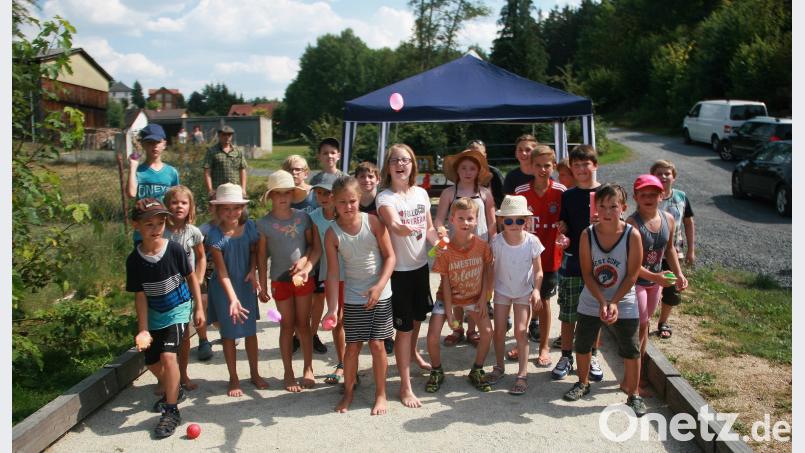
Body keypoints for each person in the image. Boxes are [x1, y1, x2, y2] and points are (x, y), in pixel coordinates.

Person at [562, 184, 646, 417]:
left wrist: (614, 302)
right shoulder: (587, 234)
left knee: (631, 348)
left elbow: (632, 274)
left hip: (624, 298)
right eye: (602, 206)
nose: (607, 211)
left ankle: (634, 393)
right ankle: (583, 382)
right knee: (583, 343)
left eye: (613, 206)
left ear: (623, 208)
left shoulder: (632, 235)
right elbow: (587, 273)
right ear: (595, 207)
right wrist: (602, 302)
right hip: (593, 296)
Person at [126, 198, 204, 438]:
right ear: (136, 225)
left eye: (160, 222)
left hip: (178, 308)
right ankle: (175, 387)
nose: (156, 228)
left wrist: (198, 308)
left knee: (169, 356)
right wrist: (143, 329)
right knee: (151, 361)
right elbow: (140, 295)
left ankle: (171, 410)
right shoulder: (134, 260)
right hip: (155, 314)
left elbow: (191, 278)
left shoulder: (175, 250)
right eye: (149, 224)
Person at [322, 176, 396, 414]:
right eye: (342, 202)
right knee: (352, 348)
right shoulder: (332, 234)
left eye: (352, 200)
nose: (348, 206)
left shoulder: (373, 222)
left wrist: (379, 286)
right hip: (353, 297)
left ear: (360, 199)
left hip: (380, 294)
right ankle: (349, 392)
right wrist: (333, 308)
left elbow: (390, 257)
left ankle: (381, 394)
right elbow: (333, 274)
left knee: (377, 345)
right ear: (333, 201)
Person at [376, 143, 438, 408]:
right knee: (402, 330)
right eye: (395, 161)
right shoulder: (385, 198)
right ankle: (405, 385)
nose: (401, 164)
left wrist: (444, 244)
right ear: (388, 167)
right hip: (397, 273)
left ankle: (412, 355)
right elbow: (394, 224)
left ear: (413, 165)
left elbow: (431, 229)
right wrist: (406, 228)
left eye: (406, 160)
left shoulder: (422, 194)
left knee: (415, 321)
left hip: (420, 269)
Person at [257, 170, 321, 392]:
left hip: (304, 279)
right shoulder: (263, 224)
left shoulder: (304, 217)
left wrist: (304, 261)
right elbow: (262, 257)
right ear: (271, 196)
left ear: (294, 194)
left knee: (304, 325)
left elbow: (314, 247)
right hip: (279, 280)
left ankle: (308, 368)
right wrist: (262, 286)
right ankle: (288, 372)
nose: (283, 197)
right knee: (286, 325)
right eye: (278, 193)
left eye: (287, 192)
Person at [626, 175, 688, 394]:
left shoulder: (668, 219)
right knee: (641, 325)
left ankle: (637, 371)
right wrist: (657, 278)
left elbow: (669, 249)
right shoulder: (632, 224)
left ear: (661, 196)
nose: (648, 198)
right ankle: (632, 378)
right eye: (643, 194)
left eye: (653, 194)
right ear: (635, 197)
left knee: (646, 325)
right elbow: (630, 265)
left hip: (656, 282)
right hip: (637, 282)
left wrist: (678, 274)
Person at [205, 183, 268, 397]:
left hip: (245, 284)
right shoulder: (214, 236)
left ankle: (255, 373)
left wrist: (253, 270)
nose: (232, 213)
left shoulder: (250, 227)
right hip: (224, 290)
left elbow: (253, 251)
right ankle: (233, 377)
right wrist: (232, 299)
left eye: (236, 207)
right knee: (229, 334)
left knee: (250, 331)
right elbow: (221, 273)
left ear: (242, 208)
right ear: (218, 209)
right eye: (226, 208)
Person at [425, 197, 494, 393]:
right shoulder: (444, 250)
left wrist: (484, 298)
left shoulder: (482, 246)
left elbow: (489, 270)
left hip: (474, 297)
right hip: (447, 297)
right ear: (452, 220)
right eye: (461, 218)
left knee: (487, 332)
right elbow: (445, 282)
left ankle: (477, 369)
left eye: (470, 218)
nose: (465, 223)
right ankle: (436, 370)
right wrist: (448, 310)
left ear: (476, 220)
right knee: (432, 334)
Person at [434, 148, 496, 349]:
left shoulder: (485, 193)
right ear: (457, 170)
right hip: (455, 249)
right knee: (456, 287)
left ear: (479, 171)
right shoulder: (448, 193)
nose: (468, 172)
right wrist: (442, 232)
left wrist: (494, 245)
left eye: (472, 168)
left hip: (480, 248)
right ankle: (457, 328)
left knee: (477, 288)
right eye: (464, 168)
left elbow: (492, 222)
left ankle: (472, 330)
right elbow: (439, 219)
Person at [511, 145, 565, 367]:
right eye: (539, 165)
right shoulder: (521, 192)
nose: (543, 170)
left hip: (550, 258)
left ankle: (543, 346)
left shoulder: (561, 191)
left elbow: (568, 221)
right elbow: (510, 222)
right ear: (530, 166)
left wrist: (565, 226)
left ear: (553, 166)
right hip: (523, 259)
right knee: (522, 302)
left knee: (543, 302)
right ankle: (520, 342)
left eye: (547, 165)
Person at [554, 145, 604, 382]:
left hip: (600, 263)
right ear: (571, 169)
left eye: (586, 164)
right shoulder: (569, 195)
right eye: (577, 165)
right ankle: (566, 355)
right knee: (568, 313)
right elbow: (564, 224)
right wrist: (562, 231)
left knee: (595, 314)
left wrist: (604, 221)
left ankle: (592, 354)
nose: (582, 169)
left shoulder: (607, 193)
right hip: (573, 261)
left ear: (595, 165)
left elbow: (620, 223)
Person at [489, 195, 543, 395]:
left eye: (519, 220)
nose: (514, 224)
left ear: (526, 221)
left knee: (521, 331)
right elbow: (490, 266)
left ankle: (522, 374)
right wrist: (486, 292)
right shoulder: (497, 241)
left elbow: (538, 270)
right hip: (502, 290)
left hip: (523, 291)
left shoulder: (532, 241)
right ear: (502, 221)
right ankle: (499, 366)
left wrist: (537, 289)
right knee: (499, 330)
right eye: (509, 220)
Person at [163, 186, 212, 387]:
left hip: (186, 288)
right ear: (167, 206)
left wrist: (199, 278)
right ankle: (165, 378)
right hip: (165, 289)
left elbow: (201, 257)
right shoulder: (161, 231)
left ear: (190, 206)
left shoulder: (193, 232)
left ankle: (183, 375)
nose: (179, 206)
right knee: (165, 335)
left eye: (183, 203)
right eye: (174, 202)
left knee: (184, 335)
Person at [651, 160, 696, 339]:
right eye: (659, 173)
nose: (663, 177)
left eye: (667, 173)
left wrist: (691, 250)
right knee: (650, 288)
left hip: (674, 253)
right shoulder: (650, 197)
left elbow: (688, 223)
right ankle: (643, 320)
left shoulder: (681, 197)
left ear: (674, 177)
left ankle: (663, 321)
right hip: (652, 253)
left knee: (671, 289)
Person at [355, 161, 394, 354]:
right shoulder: (352, 202)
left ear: (378, 179)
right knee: (364, 293)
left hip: (384, 252)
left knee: (385, 295)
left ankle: (387, 335)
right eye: (362, 176)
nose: (366, 180)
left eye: (370, 176)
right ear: (356, 180)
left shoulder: (383, 201)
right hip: (363, 254)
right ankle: (363, 332)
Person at [308, 173, 343, 363]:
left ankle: (347, 363)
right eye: (319, 192)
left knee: (349, 320)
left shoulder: (346, 213)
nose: (323, 197)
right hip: (330, 275)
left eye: (328, 193)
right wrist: (305, 268)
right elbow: (315, 250)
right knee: (338, 319)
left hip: (352, 274)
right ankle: (342, 363)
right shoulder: (313, 217)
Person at [127, 124, 179, 203]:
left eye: (158, 142)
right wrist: (132, 167)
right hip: (143, 214)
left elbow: (176, 199)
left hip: (164, 214)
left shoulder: (172, 172)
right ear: (143, 144)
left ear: (164, 144)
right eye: (150, 142)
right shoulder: (138, 171)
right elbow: (131, 194)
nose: (154, 146)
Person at [204, 125, 247, 199]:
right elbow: (207, 172)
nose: (227, 137)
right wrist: (210, 190)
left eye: (229, 135)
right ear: (219, 135)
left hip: (235, 190)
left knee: (242, 210)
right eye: (224, 134)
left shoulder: (238, 151)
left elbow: (242, 170)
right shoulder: (211, 151)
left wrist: (243, 189)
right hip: (218, 191)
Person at [467, 139, 505, 208]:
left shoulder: (494, 173)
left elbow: (503, 198)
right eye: (472, 154)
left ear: (485, 156)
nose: (475, 157)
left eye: (479, 154)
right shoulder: (462, 173)